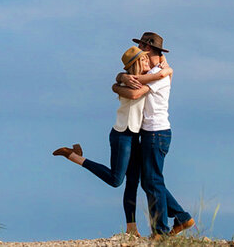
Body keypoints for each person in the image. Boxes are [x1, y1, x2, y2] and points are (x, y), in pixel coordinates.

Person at [52, 45, 172, 237]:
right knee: (116, 180)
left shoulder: (135, 79)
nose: (146, 62)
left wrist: (165, 70)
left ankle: (131, 229)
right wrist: (122, 81)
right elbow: (136, 93)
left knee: (133, 181)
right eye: (142, 60)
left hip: (135, 136)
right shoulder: (130, 84)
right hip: (121, 135)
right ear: (134, 64)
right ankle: (74, 156)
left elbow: (159, 77)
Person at [116, 32, 195, 237]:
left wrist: (120, 81)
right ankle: (182, 218)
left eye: (141, 46)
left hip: (156, 132)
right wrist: (121, 78)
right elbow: (133, 79)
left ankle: (160, 230)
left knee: (153, 182)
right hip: (151, 133)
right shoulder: (157, 69)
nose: (139, 51)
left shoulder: (160, 72)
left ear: (147, 47)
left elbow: (134, 91)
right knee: (150, 181)